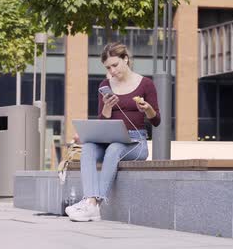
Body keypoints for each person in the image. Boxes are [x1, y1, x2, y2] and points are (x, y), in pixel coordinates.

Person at [66, 42, 161, 222]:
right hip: (110, 139)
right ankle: (91, 203)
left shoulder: (146, 84)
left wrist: (148, 109)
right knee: (88, 148)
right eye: (108, 67)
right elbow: (103, 123)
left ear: (126, 59)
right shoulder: (105, 85)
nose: (112, 70)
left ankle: (93, 205)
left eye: (115, 65)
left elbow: (156, 121)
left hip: (136, 142)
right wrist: (107, 109)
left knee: (114, 149)